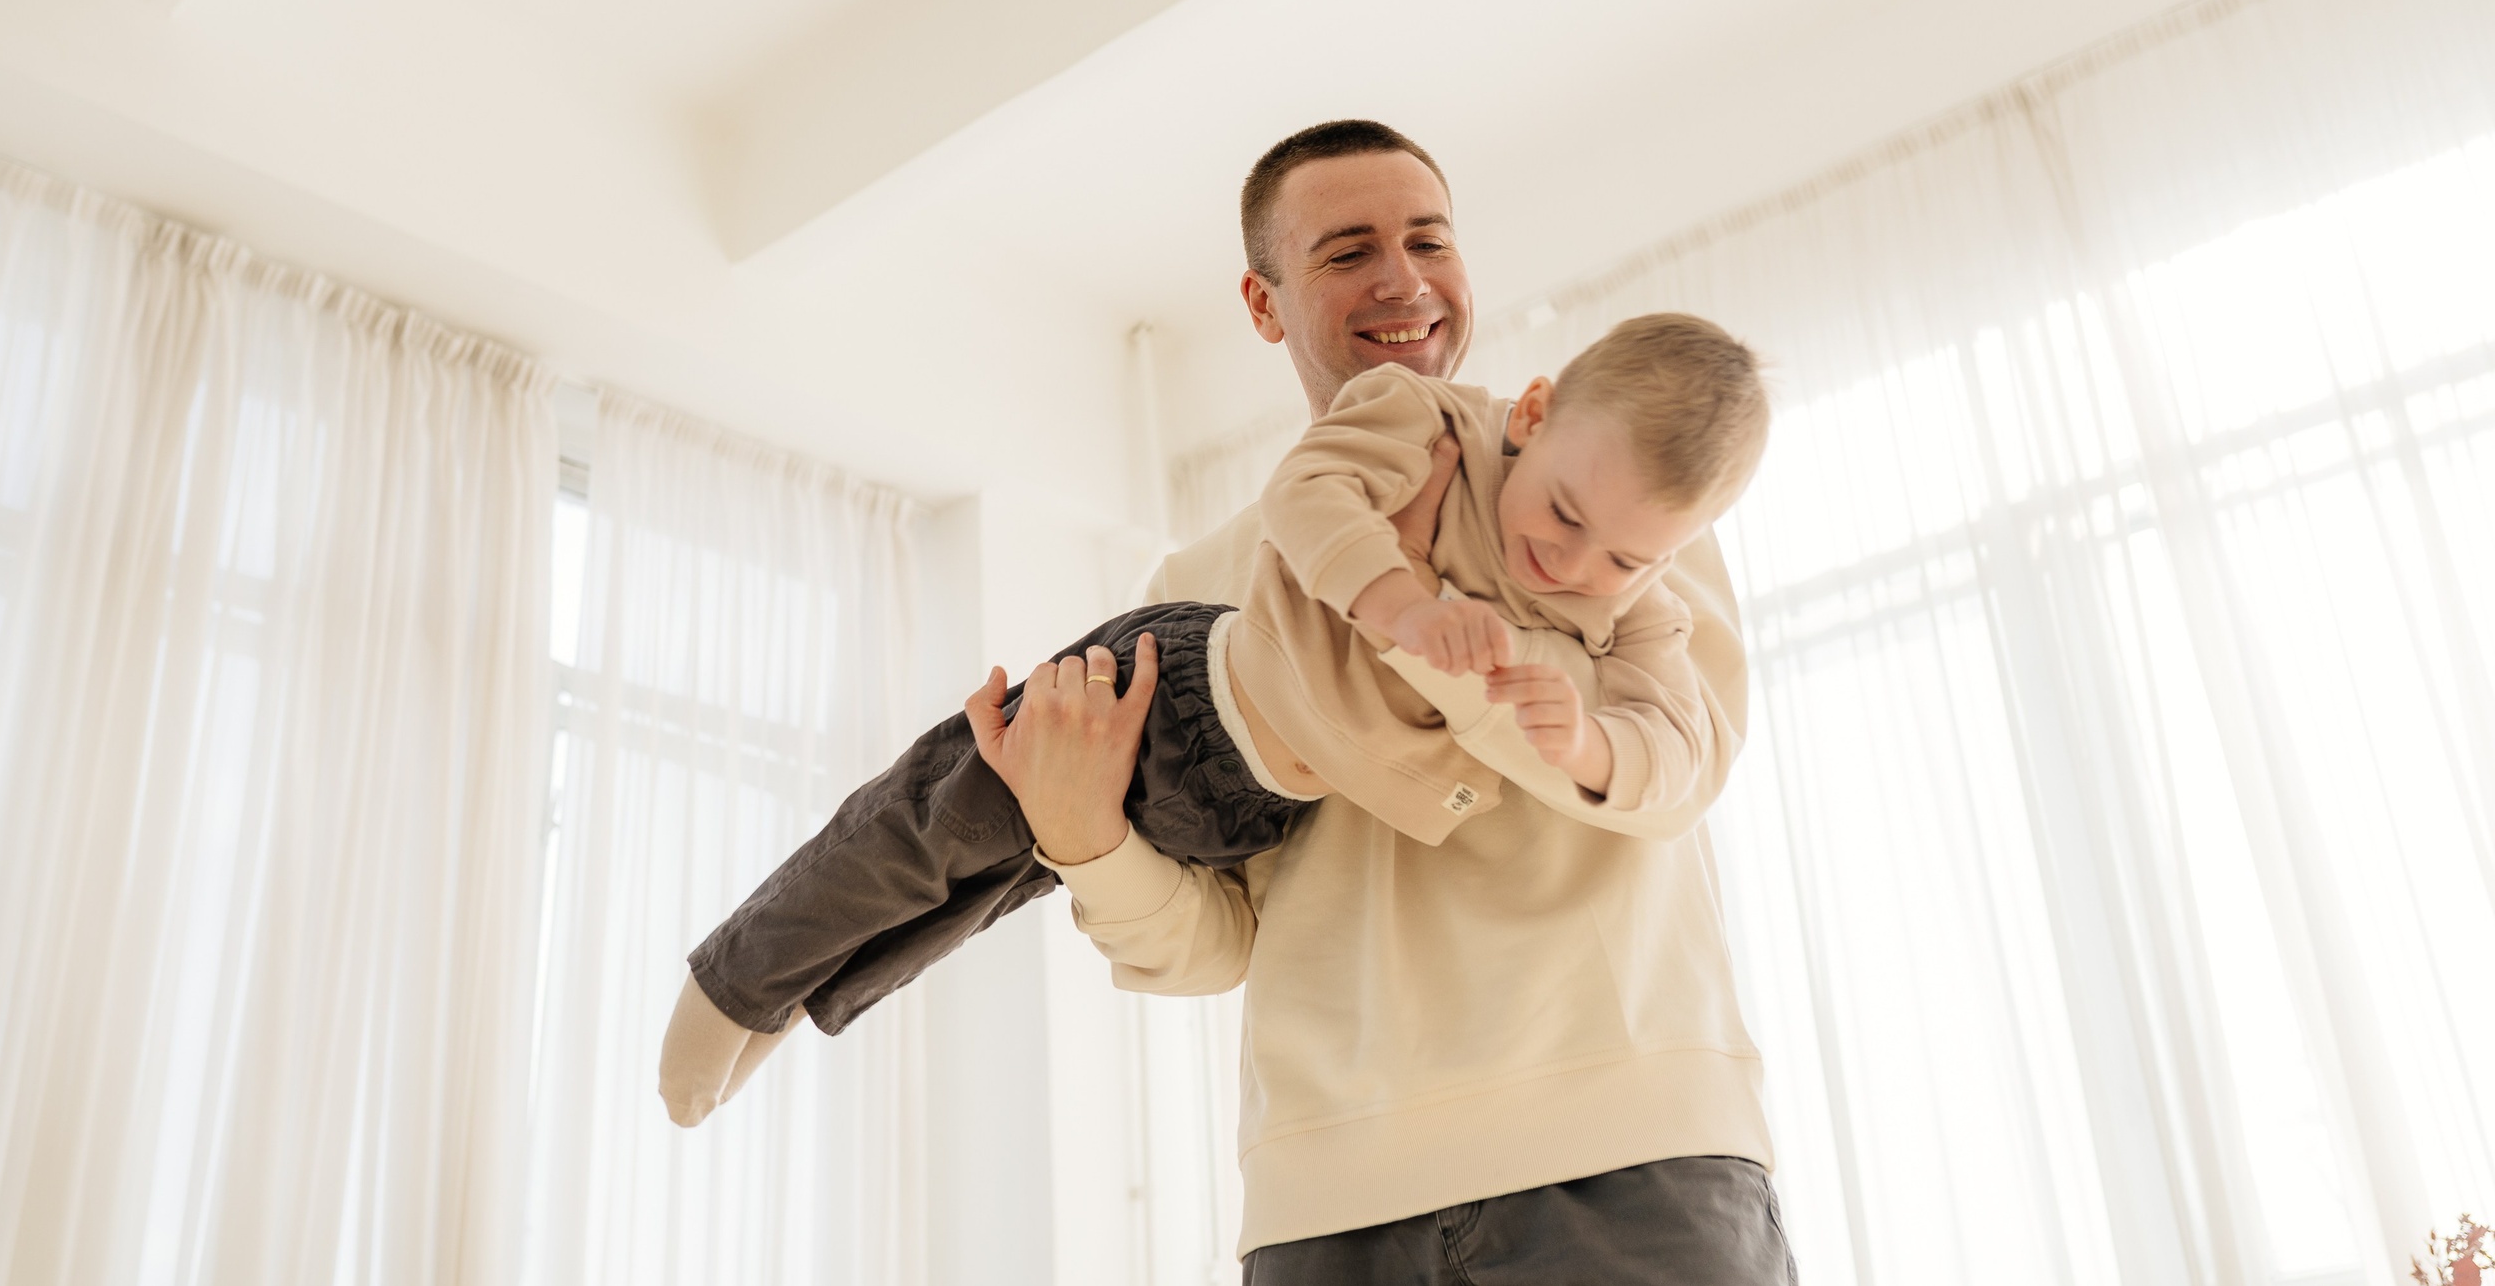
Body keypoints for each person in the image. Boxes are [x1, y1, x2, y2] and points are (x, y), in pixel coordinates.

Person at [987, 121, 1800, 1285]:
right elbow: (1214, 942)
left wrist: (1414, 634)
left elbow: (1663, 781)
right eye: (1346, 250)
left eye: (1429, 239)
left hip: (1636, 1163)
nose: (1404, 279)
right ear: (1264, 306)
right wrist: (1085, 845)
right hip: (1329, 1207)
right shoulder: (1195, 588)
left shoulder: (1626, 502)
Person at [657, 307, 1768, 1125]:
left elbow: (1673, 749)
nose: (1572, 563)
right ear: (1530, 413)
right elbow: (1307, 496)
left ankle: (793, 1004)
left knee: (999, 885)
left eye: (1626, 557)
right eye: (1565, 513)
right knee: (940, 825)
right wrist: (1405, 607)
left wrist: (1582, 739)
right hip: (1180, 695)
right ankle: (735, 979)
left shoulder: (1637, 615)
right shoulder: (1422, 422)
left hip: (1255, 811)